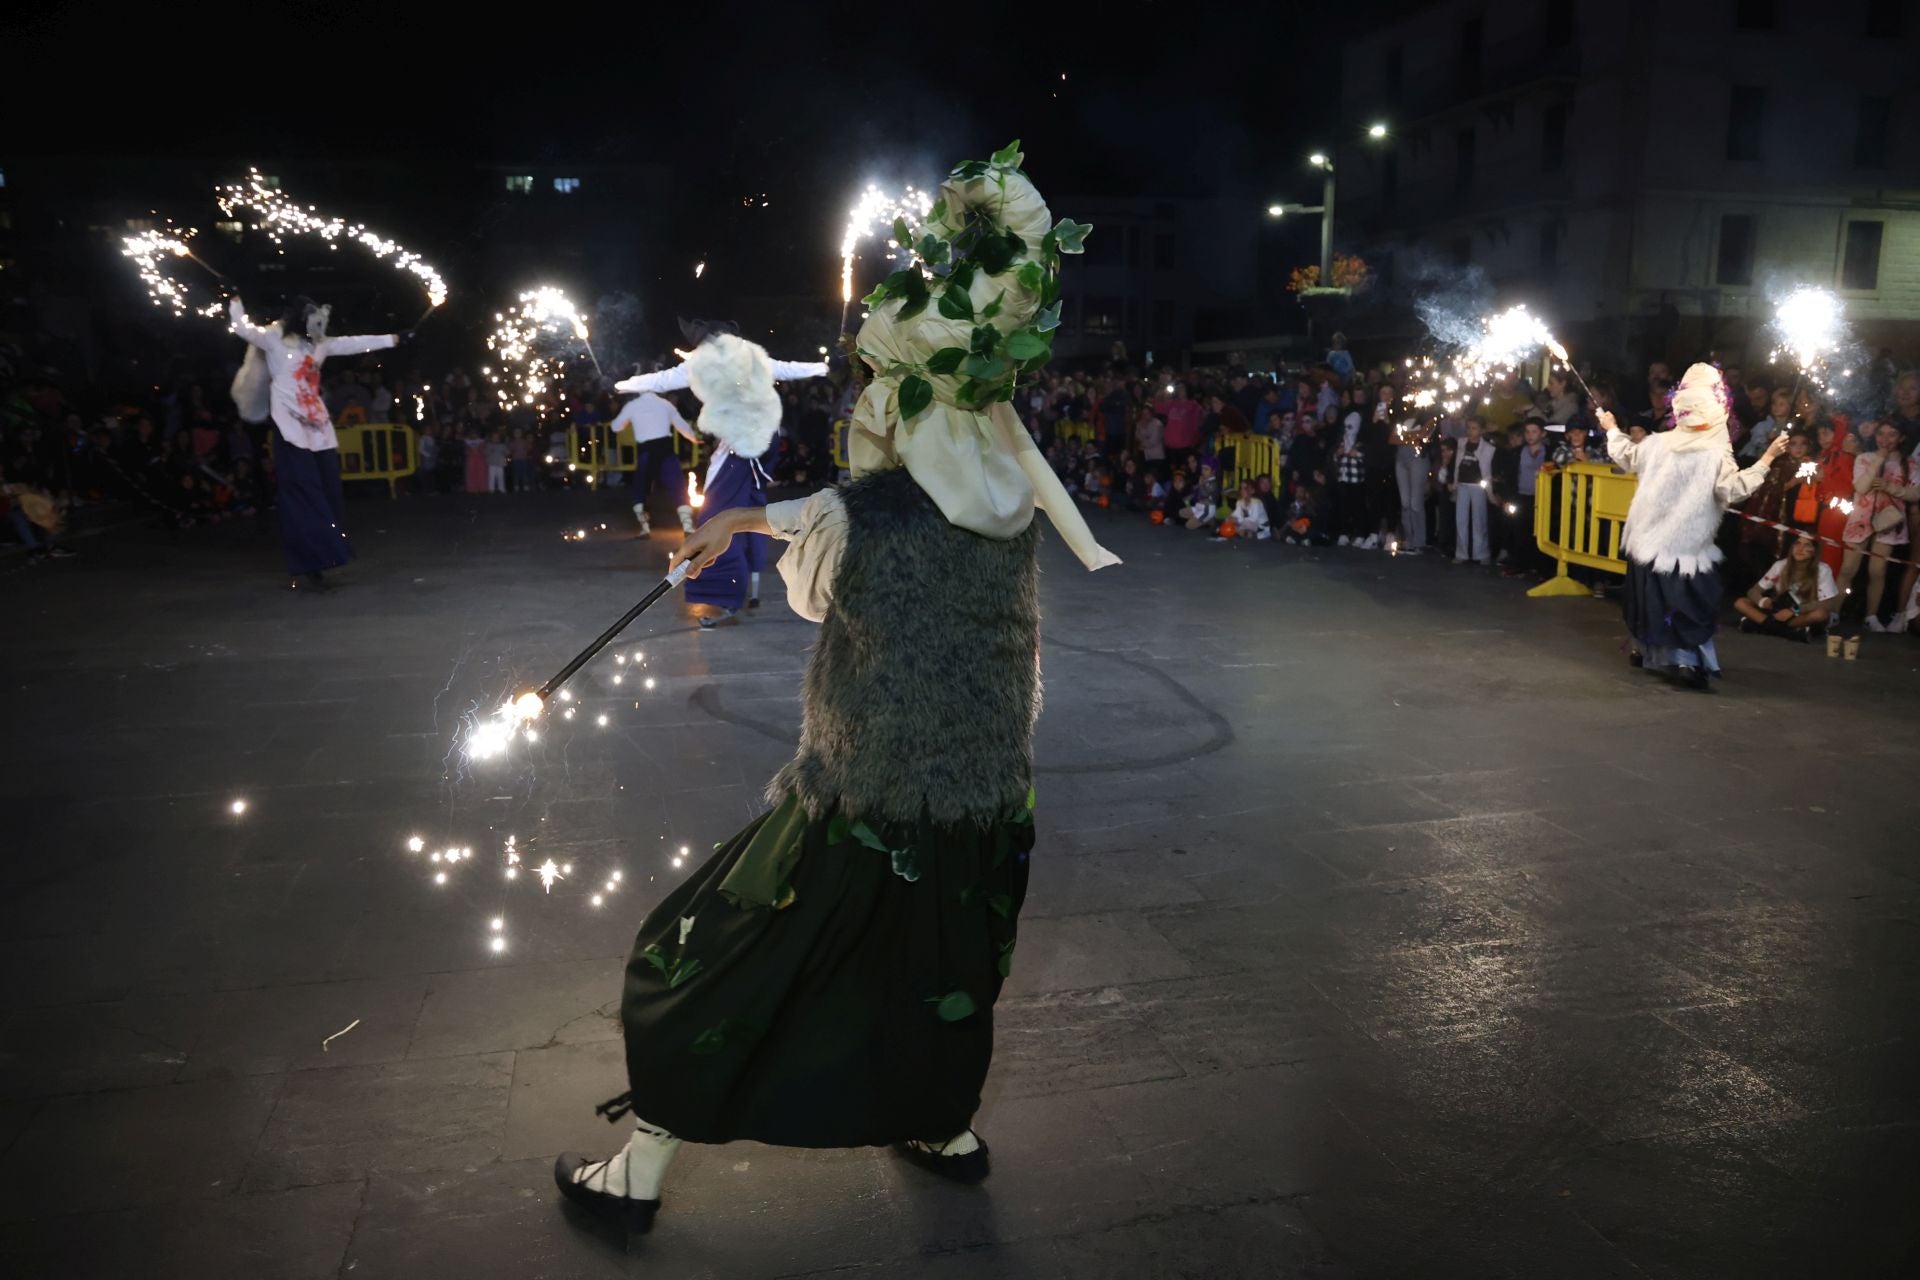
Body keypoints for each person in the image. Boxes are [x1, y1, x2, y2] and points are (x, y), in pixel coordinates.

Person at [555, 146, 1119, 1232]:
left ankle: (641, 1168)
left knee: (731, 947)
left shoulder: (871, 516)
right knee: (944, 962)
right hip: (982, 798)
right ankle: (940, 1123)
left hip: (862, 797)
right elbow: (827, 512)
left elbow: (822, 552)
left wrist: (734, 519)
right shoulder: (1010, 502)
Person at [1603, 363, 1789, 688]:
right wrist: (1767, 458)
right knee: (1681, 607)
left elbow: (1627, 455)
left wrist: (1610, 428)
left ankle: (1648, 652)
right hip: (1682, 548)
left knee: (1652, 604)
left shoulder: (1658, 443)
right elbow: (1732, 490)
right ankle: (1683, 663)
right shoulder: (1714, 453)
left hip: (1647, 540)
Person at [227, 296, 400, 590]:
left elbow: (353, 343)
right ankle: (307, 563)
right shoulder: (274, 338)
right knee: (301, 494)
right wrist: (235, 303)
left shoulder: (319, 344)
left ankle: (326, 554)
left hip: (318, 429)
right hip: (289, 430)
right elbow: (243, 329)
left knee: (329, 492)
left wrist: (392, 339)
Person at [1839, 420, 1917, 631]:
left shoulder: (1910, 463)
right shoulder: (1864, 458)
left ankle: (1871, 616)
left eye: (1892, 434)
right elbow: (1861, 487)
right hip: (1860, 519)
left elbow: (1916, 493)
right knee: (1848, 568)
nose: (1885, 439)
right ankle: (1833, 612)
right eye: (1881, 434)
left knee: (1878, 570)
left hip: (1889, 521)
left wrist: (1891, 488)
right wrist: (1879, 459)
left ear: (1901, 438)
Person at [1735, 534, 1839, 641]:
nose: (1800, 549)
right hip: (1778, 608)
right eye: (1797, 543)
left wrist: (1794, 611)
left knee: (1821, 614)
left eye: (1807, 545)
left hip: (1801, 612)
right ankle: (1788, 633)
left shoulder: (1823, 570)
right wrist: (1762, 601)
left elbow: (1827, 604)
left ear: (1814, 551)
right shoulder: (1780, 565)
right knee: (1741, 603)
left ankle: (1763, 626)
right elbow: (1753, 591)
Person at [1450, 415, 1495, 565]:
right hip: (1462, 484)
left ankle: (1481, 553)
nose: (1470, 431)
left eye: (1474, 428)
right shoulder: (1461, 443)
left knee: (1479, 519)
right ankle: (1461, 553)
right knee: (1460, 520)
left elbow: (1487, 470)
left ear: (1481, 430)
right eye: (1468, 428)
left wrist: (1490, 491)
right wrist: (1453, 482)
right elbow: (1456, 464)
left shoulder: (1488, 448)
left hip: (1477, 485)